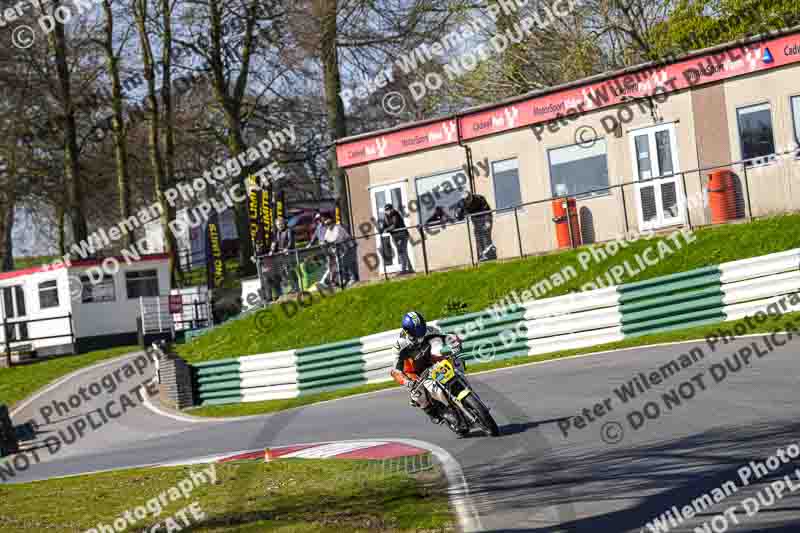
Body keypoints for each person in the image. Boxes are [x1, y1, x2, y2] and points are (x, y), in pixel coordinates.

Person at [389, 311, 463, 428]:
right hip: (413, 371)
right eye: (416, 331)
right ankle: (431, 412)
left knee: (455, 359)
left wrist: (454, 343)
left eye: (421, 328)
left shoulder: (430, 330)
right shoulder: (400, 345)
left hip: (430, 361)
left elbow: (446, 338)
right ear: (408, 331)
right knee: (416, 394)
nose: (420, 333)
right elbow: (395, 371)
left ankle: (460, 380)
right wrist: (407, 381)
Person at [457, 190, 496, 261]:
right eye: (465, 200)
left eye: (468, 198)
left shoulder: (479, 198)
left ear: (471, 196)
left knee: (485, 234)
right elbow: (459, 216)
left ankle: (491, 255)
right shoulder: (461, 203)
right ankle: (482, 255)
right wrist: (458, 214)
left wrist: (487, 222)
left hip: (484, 218)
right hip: (475, 221)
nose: (467, 201)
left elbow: (487, 210)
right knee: (478, 237)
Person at [321, 214, 358, 287]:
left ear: (332, 223)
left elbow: (337, 238)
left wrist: (328, 242)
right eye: (326, 225)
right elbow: (326, 239)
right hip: (340, 249)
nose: (327, 226)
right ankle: (345, 279)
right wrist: (325, 242)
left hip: (349, 246)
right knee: (341, 264)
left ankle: (353, 278)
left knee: (348, 262)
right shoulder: (328, 230)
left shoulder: (338, 227)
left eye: (328, 224)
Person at [270, 217, 299, 294]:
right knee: (283, 272)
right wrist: (272, 250)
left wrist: (287, 248)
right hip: (281, 255)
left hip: (289, 254)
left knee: (290, 271)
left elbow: (291, 241)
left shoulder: (289, 230)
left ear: (284, 223)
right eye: (278, 225)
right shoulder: (277, 232)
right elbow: (275, 242)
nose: (279, 226)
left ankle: (296, 287)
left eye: (280, 224)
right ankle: (292, 287)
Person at [381, 204, 413, 273]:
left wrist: (387, 229)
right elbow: (384, 226)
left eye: (389, 209)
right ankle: (410, 268)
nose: (388, 211)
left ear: (392, 209)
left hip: (402, 235)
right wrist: (382, 230)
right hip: (395, 236)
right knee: (402, 252)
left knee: (402, 252)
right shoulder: (385, 217)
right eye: (386, 210)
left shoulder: (395, 214)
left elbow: (394, 225)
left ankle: (403, 269)